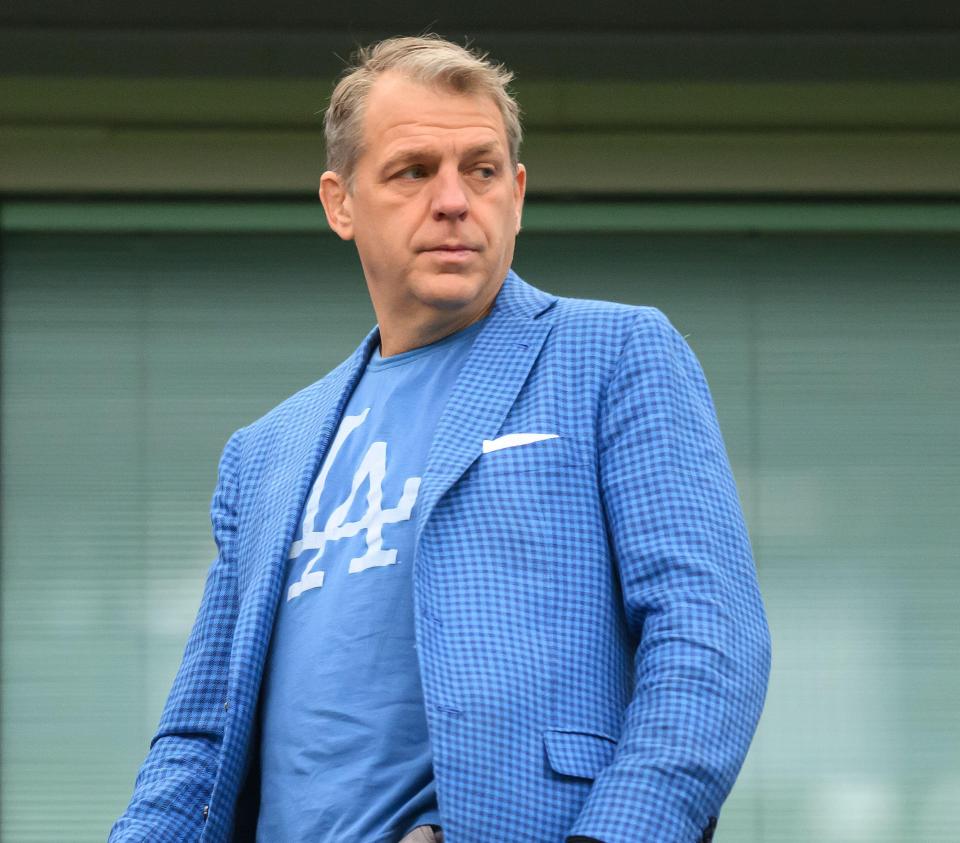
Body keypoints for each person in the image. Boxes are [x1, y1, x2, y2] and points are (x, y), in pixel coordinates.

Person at [111, 34, 771, 843]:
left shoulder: (614, 355)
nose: (455, 199)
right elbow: (199, 739)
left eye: (482, 170)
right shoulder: (265, 453)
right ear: (340, 202)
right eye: (415, 170)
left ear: (518, 193)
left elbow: (708, 639)